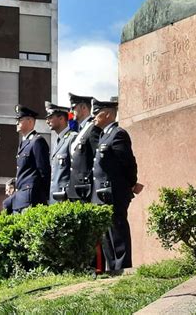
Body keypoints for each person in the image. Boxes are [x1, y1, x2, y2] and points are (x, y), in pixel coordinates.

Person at [91, 98, 143, 272]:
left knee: (117, 230)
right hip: (101, 192)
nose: (94, 117)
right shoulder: (104, 135)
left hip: (114, 191)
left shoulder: (118, 133)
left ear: (107, 113)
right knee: (106, 233)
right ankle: (112, 268)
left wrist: (130, 184)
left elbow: (128, 163)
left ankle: (123, 267)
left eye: (96, 113)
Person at [6, 104, 50, 213]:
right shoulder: (24, 143)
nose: (17, 123)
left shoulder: (37, 141)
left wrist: (44, 196)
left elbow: (44, 170)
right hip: (21, 197)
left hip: (32, 197)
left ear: (30, 121)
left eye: (20, 120)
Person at [67, 93, 102, 202]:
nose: (71, 112)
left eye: (74, 108)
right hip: (75, 189)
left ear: (83, 108)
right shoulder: (79, 131)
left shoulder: (93, 129)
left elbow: (96, 158)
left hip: (86, 189)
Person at [45, 102, 78, 204]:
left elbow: (76, 170)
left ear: (61, 118)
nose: (47, 121)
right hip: (55, 198)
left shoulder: (73, 138)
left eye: (50, 117)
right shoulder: (58, 141)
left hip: (65, 198)